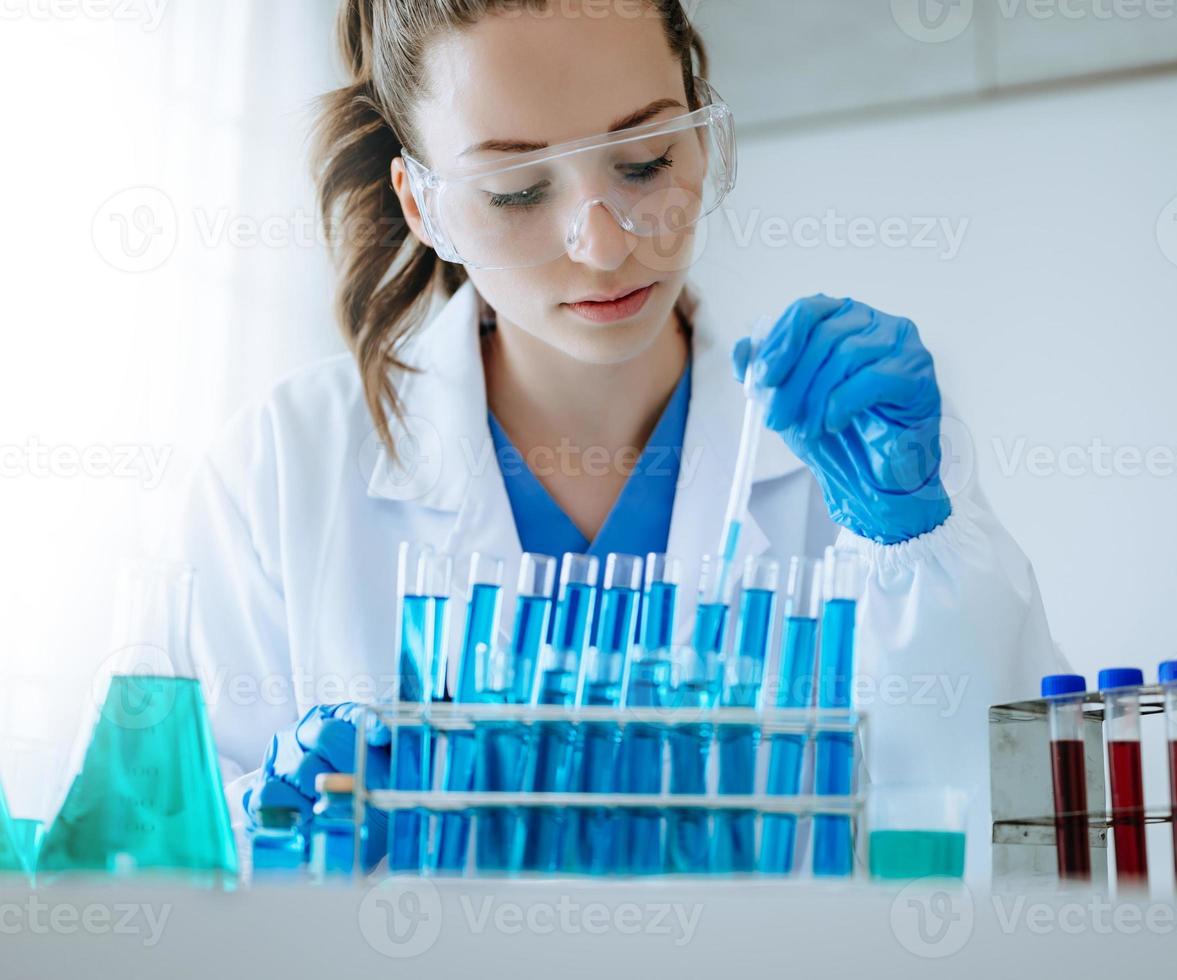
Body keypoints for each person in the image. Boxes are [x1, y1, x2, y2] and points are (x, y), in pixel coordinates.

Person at [172, 0, 1065, 879]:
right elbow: (150, 872)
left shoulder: (847, 447)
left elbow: (1021, 835)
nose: (602, 246)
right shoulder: (282, 471)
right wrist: (268, 845)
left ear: (703, 134)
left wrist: (921, 556)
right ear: (423, 205)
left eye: (643, 162)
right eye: (515, 190)